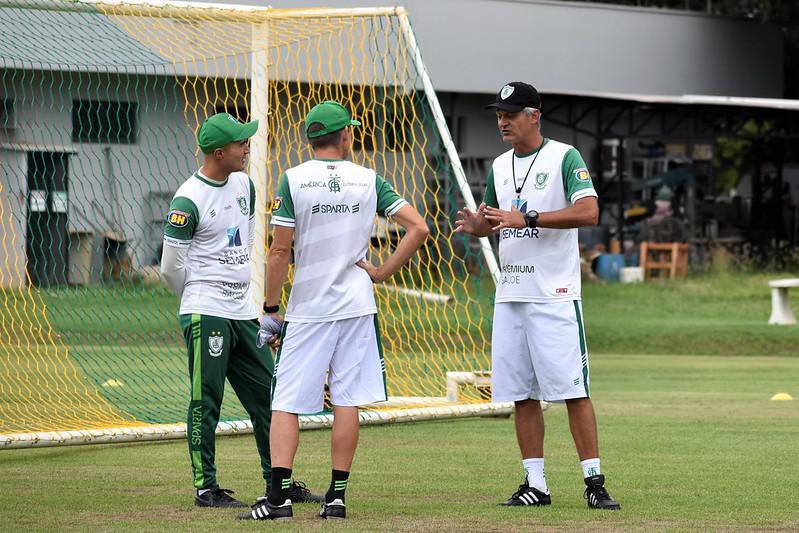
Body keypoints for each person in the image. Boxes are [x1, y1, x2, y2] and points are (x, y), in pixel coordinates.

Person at [241, 101, 429, 520]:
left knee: (286, 402)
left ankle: (278, 499)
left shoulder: (294, 179)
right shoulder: (369, 179)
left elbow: (279, 251)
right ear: (345, 135)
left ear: (311, 138)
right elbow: (419, 227)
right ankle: (337, 498)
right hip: (357, 306)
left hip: (309, 308)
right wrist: (381, 272)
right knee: (347, 400)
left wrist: (271, 308)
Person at [454, 82, 620, 510]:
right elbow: (495, 220)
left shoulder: (565, 156)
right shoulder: (499, 165)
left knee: (573, 390)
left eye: (510, 114)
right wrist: (478, 227)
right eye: (498, 115)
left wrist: (527, 217)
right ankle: (535, 483)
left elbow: (589, 211)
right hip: (512, 294)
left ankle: (594, 482)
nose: (502, 122)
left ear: (534, 116)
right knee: (522, 393)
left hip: (554, 294)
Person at [160, 112, 320, 508]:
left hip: (243, 312)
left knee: (272, 396)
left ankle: (278, 482)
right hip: (206, 312)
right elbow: (170, 268)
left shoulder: (245, 185)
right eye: (240, 143)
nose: (247, 148)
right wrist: (199, 298)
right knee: (206, 400)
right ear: (219, 153)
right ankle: (206, 488)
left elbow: (245, 243)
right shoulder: (188, 199)